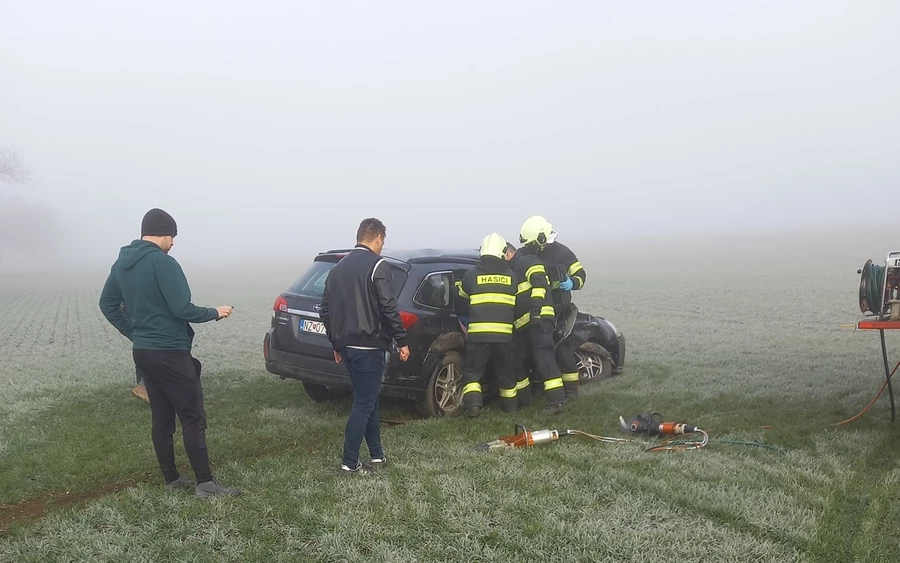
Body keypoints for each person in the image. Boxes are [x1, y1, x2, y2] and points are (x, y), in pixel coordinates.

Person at [98, 208, 240, 497]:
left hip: (144, 353)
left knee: (162, 418)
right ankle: (206, 484)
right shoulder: (163, 263)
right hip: (171, 353)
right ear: (163, 234)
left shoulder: (122, 264)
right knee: (192, 417)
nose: (173, 243)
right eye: (172, 236)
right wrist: (216, 311)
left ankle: (172, 479)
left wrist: (134, 333)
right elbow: (182, 309)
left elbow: (107, 304)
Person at [320, 218, 410, 474]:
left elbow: (325, 310)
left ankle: (377, 455)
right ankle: (350, 462)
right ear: (378, 238)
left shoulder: (337, 269)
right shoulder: (378, 265)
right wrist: (401, 340)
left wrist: (336, 343)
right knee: (363, 403)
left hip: (347, 347)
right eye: (383, 241)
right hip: (370, 346)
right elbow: (388, 306)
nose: (382, 246)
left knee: (369, 400)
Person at [519, 215, 587, 401]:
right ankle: (541, 387)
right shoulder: (524, 254)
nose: (530, 247)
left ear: (542, 238)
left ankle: (571, 391)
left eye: (532, 243)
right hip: (537, 312)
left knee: (564, 350)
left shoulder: (562, 253)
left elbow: (580, 274)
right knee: (540, 351)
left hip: (560, 310)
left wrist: (573, 282)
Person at [456, 233, 518, 416]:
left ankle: (473, 407)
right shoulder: (513, 277)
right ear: (502, 252)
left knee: (473, 372)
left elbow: (460, 302)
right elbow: (519, 305)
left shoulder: (471, 276)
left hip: (478, 334)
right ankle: (510, 408)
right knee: (506, 371)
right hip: (504, 335)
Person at [505, 242, 565, 413]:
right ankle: (525, 399)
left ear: (508, 253)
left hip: (540, 320)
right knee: (517, 360)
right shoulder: (512, 270)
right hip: (524, 325)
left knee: (543, 357)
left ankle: (557, 402)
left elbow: (539, 283)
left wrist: (536, 312)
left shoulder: (527, 261)